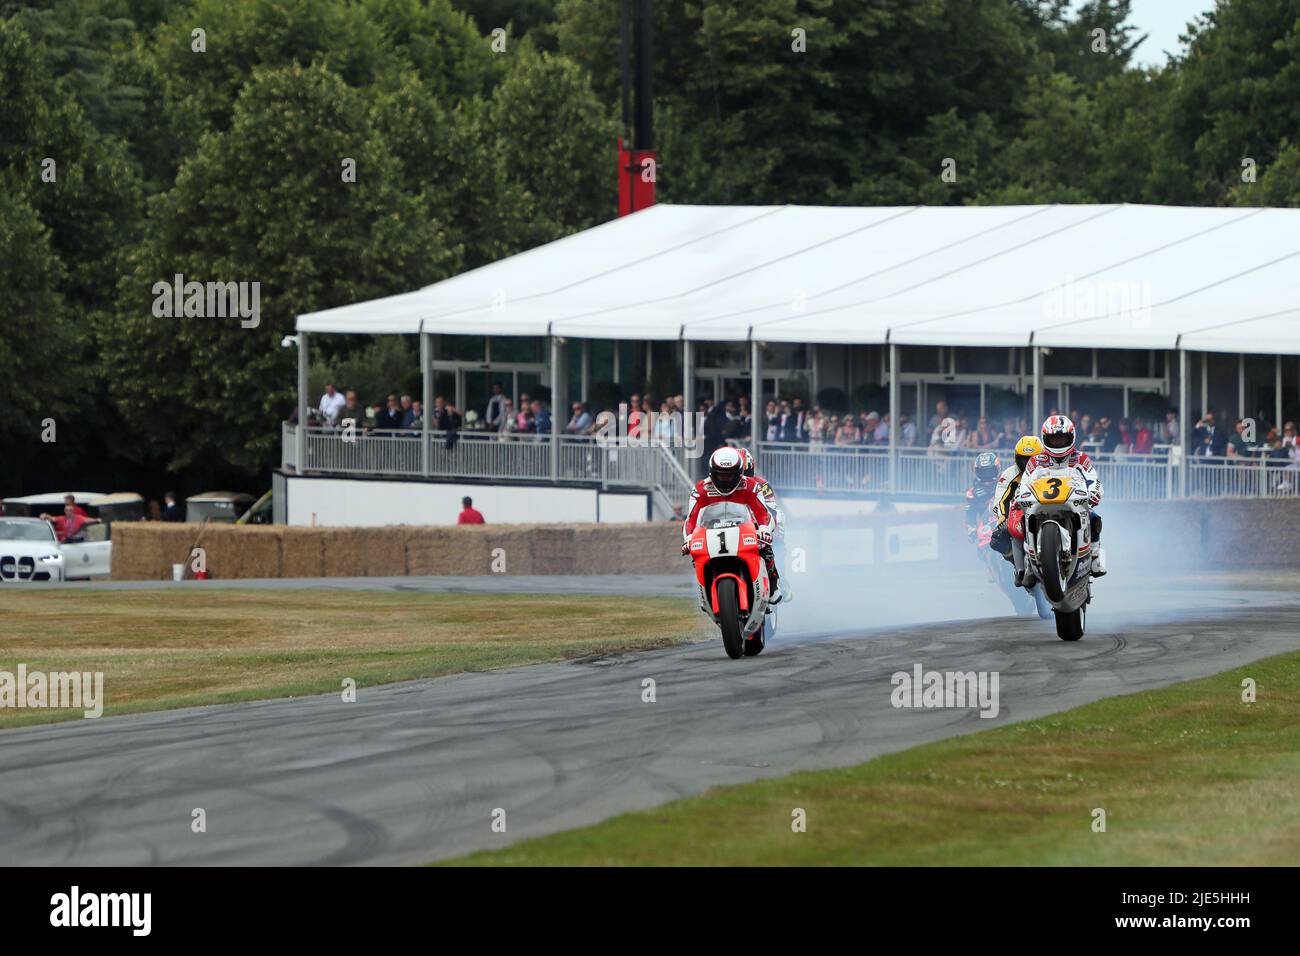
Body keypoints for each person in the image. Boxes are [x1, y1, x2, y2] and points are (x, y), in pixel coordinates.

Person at [681, 446, 784, 604]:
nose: (725, 480)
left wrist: (765, 530)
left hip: (746, 528)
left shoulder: (752, 485)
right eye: (721, 475)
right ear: (712, 472)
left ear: (740, 473)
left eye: (730, 475)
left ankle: (773, 582)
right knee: (696, 555)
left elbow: (763, 512)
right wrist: (688, 539)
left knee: (765, 547)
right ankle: (706, 592)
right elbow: (691, 519)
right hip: (712, 530)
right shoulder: (700, 489)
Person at [1025, 415, 1106, 578]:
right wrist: (1018, 498)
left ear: (1071, 437)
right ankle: (1028, 560)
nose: (1057, 443)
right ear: (1045, 439)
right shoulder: (1035, 460)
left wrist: (1095, 492)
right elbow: (1025, 482)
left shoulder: (1081, 458)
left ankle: (1094, 555)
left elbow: (1093, 479)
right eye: (1053, 439)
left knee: (1093, 518)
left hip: (1073, 502)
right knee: (1022, 520)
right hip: (1042, 503)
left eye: (1061, 439)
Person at [988, 437, 1044, 587]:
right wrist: (1003, 519)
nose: (1028, 464)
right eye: (1024, 459)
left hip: (1046, 511)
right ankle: (1018, 566)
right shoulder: (1009, 474)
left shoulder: (1049, 470)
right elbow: (1000, 500)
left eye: (1032, 459)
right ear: (1016, 458)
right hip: (1020, 514)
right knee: (997, 539)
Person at [964, 452, 1001, 543]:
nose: (987, 477)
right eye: (983, 473)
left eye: (990, 472)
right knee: (982, 545)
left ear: (997, 469)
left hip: (1006, 521)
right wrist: (972, 529)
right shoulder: (973, 492)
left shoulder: (1005, 482)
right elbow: (970, 514)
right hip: (986, 528)